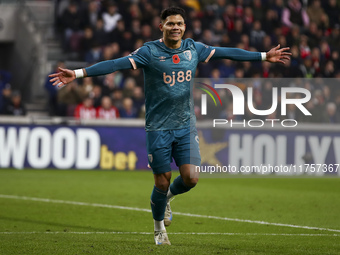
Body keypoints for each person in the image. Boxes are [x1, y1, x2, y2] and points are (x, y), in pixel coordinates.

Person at [49, 6, 291, 245]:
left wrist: (263, 56)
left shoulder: (193, 48)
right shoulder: (149, 52)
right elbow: (115, 64)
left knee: (191, 178)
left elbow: (226, 52)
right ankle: (158, 230)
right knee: (161, 182)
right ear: (161, 26)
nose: (175, 28)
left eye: (179, 24)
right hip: (158, 127)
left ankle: (167, 201)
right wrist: (78, 73)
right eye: (170, 24)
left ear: (184, 27)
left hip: (185, 125)